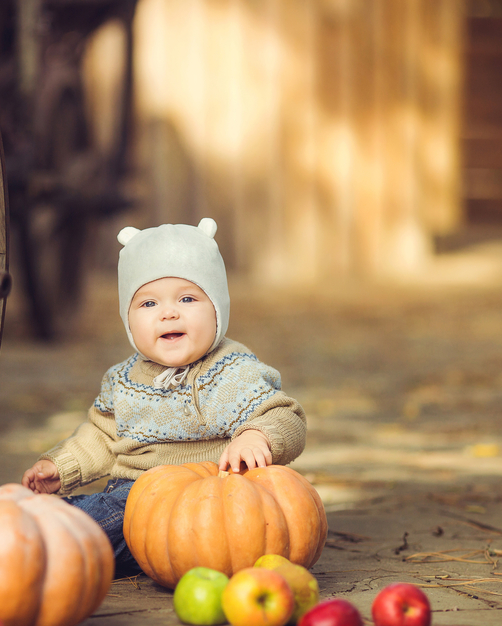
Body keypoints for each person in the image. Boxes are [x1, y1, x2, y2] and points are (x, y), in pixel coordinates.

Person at [21, 218, 307, 574]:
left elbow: (284, 416)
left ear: (217, 308)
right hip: (132, 495)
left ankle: (41, 545)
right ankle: (43, 531)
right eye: (149, 304)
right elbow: (102, 436)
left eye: (188, 298)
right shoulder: (122, 379)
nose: (169, 312)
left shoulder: (230, 372)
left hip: (210, 503)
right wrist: (61, 467)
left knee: (87, 527)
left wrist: (256, 435)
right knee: (95, 515)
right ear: (128, 319)